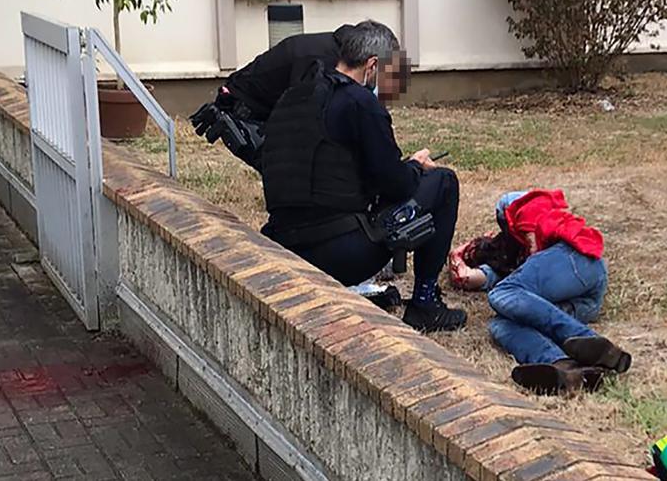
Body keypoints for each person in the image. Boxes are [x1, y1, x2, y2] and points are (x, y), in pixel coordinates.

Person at [259, 21, 466, 333]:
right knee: (443, 182)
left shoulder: (292, 97)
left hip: (281, 246)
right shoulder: (359, 101)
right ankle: (425, 305)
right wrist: (413, 165)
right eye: (390, 73)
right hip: (338, 253)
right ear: (372, 66)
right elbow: (396, 184)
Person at [449, 189, 632, 394]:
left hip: (575, 258)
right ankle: (564, 366)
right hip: (577, 302)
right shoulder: (511, 264)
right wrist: (457, 259)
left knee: (501, 293)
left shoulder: (522, 209)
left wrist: (528, 234)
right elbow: (472, 278)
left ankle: (587, 339)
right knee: (500, 324)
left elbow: (530, 213)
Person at [191, 23, 368, 171]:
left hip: (248, 100)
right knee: (287, 169)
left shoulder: (328, 46)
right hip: (246, 111)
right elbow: (302, 111)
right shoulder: (322, 59)